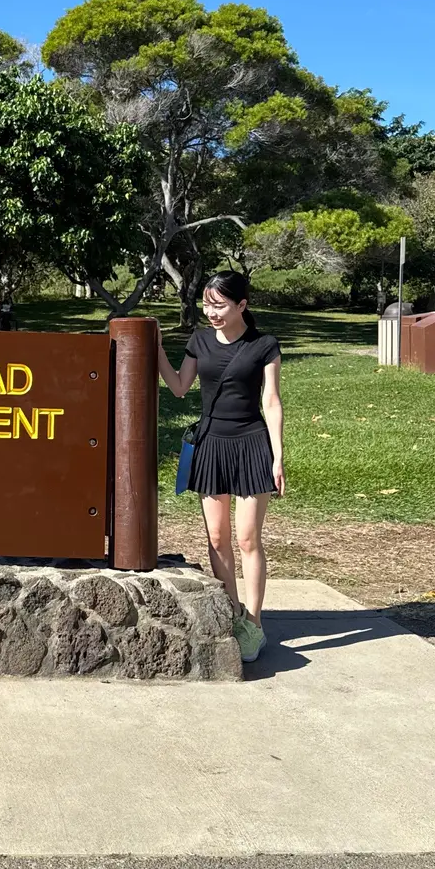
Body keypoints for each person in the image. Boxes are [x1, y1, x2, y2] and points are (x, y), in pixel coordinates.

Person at [156, 271, 285, 663]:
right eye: (207, 304)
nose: (211, 313)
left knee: (247, 538)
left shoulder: (264, 345)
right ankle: (232, 614)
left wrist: (278, 456)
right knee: (216, 538)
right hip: (211, 443)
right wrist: (157, 349)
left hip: (250, 444)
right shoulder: (199, 341)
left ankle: (255, 623)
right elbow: (180, 386)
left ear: (242, 305)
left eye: (220, 305)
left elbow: (272, 402)